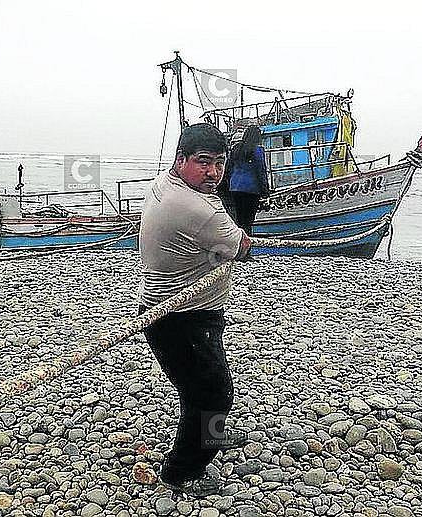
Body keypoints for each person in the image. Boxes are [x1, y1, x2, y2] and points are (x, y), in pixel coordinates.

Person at [138, 123, 251, 496]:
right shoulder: (196, 208)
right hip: (182, 317)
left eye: (220, 163)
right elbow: (242, 248)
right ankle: (182, 472)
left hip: (173, 310)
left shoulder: (165, 183)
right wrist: (225, 240)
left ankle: (209, 434)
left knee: (198, 384)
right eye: (204, 163)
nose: (213, 173)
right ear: (181, 159)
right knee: (212, 394)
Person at [221, 126, 270, 237]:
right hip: (251, 189)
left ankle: (239, 246)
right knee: (248, 221)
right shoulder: (257, 150)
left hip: (235, 187)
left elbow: (228, 168)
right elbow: (261, 171)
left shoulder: (236, 148)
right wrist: (265, 192)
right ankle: (246, 247)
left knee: (238, 220)